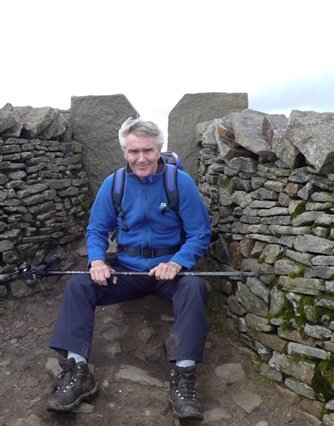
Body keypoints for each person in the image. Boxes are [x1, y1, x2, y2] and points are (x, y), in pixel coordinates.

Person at [46, 117, 212, 419]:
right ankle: (77, 371)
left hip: (169, 271)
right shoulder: (114, 184)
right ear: (124, 152)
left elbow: (200, 233)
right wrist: (97, 261)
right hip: (127, 270)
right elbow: (97, 230)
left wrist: (177, 262)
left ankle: (184, 377)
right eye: (133, 151)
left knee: (194, 287)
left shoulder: (180, 183)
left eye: (148, 150)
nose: (141, 158)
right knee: (78, 285)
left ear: (159, 150)